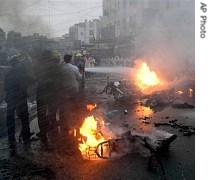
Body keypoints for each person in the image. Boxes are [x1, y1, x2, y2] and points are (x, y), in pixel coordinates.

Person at [4, 55, 33, 148]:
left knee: (10, 119)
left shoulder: (8, 73)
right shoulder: (22, 72)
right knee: (24, 118)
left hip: (11, 98)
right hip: (21, 98)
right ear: (18, 64)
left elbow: (5, 87)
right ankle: (26, 137)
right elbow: (30, 80)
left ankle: (11, 138)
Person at [36, 50, 61, 142]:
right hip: (51, 93)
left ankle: (43, 131)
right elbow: (58, 79)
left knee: (41, 114)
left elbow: (35, 77)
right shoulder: (54, 66)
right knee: (52, 112)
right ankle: (53, 129)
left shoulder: (38, 65)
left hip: (42, 93)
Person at [59, 54, 81, 135]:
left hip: (64, 90)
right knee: (75, 105)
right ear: (70, 59)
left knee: (64, 106)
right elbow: (79, 78)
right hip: (73, 89)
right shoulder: (74, 68)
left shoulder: (60, 68)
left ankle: (64, 122)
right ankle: (76, 120)